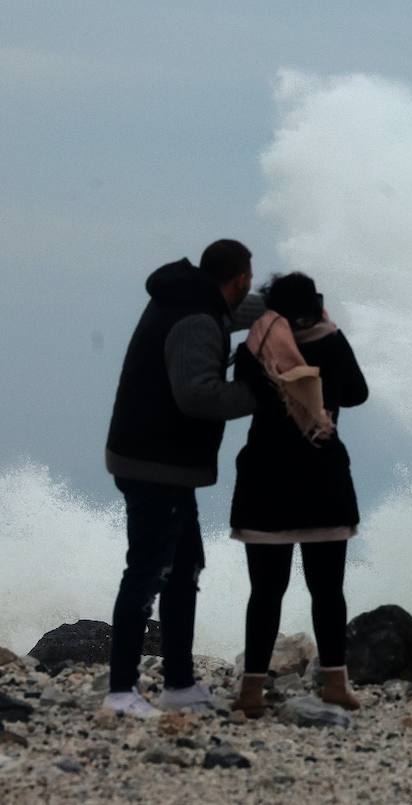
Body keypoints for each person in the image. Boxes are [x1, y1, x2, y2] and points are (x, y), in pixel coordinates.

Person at [103, 239, 264, 718]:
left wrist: (284, 308)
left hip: (155, 461)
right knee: (149, 572)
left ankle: (177, 684)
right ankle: (120, 691)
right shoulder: (196, 319)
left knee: (185, 567)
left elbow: (237, 313)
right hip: (155, 465)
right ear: (239, 279)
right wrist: (262, 392)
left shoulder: (196, 301)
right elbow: (197, 395)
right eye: (249, 282)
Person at [227, 272, 368, 717]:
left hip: (265, 479)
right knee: (327, 590)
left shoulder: (256, 346)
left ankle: (251, 692)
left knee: (265, 591)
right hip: (322, 476)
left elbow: (241, 394)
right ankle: (335, 685)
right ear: (316, 304)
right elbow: (358, 394)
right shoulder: (329, 342)